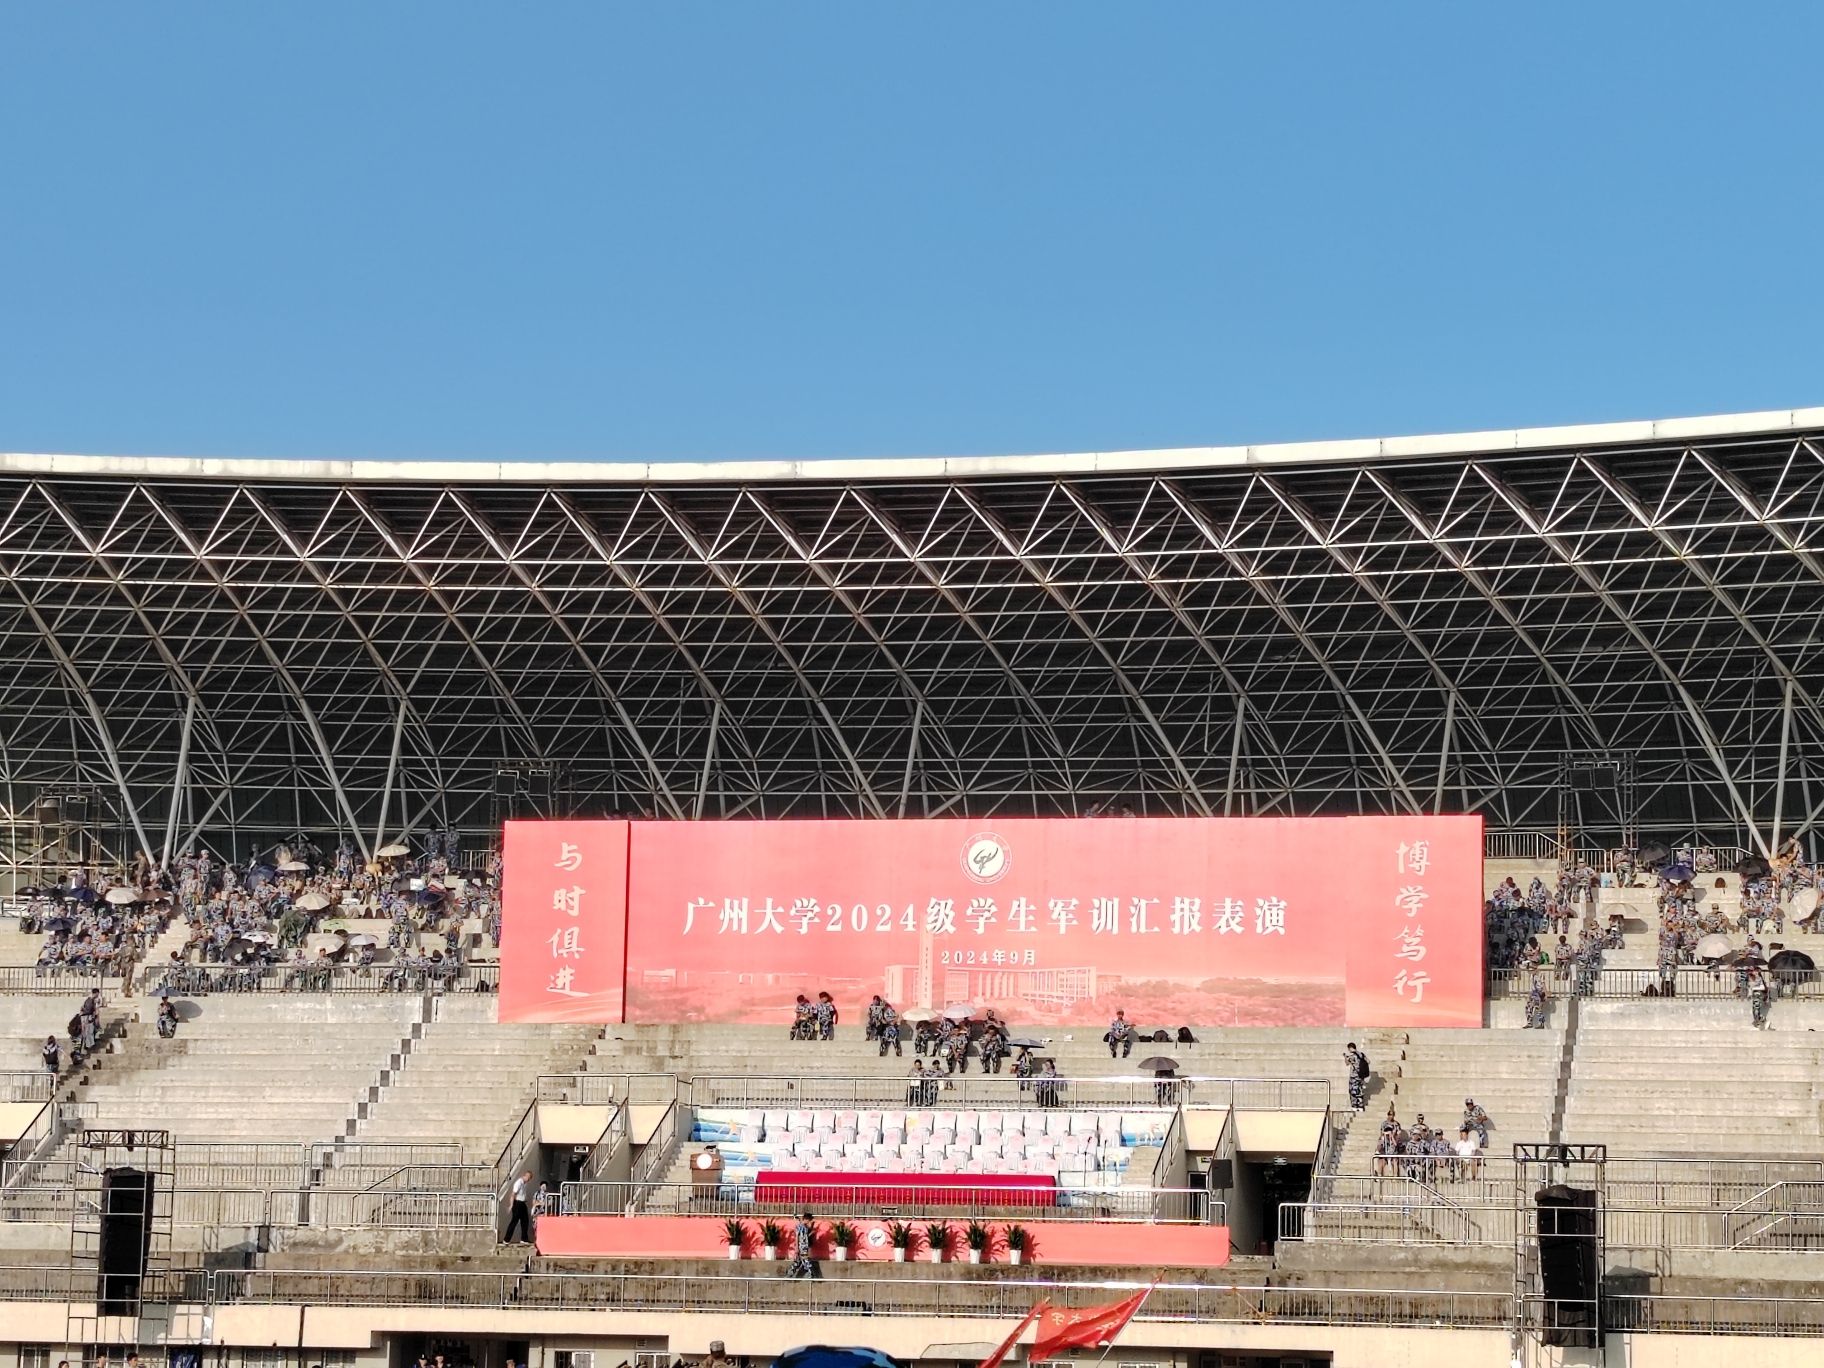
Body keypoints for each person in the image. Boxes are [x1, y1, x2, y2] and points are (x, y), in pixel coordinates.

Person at [502, 1169, 534, 1244]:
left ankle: (524, 1238)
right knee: (514, 1221)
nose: (528, 1180)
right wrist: (511, 1205)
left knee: (525, 1221)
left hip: (522, 1203)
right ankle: (506, 1239)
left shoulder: (524, 1184)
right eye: (528, 1178)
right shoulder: (519, 1183)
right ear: (525, 1176)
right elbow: (513, 1194)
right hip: (517, 1203)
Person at [786, 1211, 819, 1278]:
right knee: (806, 1261)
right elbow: (797, 1237)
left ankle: (789, 1274)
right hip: (801, 1247)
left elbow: (805, 1237)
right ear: (806, 1219)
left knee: (797, 1262)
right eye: (809, 1220)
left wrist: (811, 1233)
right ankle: (812, 1275)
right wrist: (797, 1248)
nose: (809, 1222)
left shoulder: (805, 1228)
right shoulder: (799, 1227)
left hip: (804, 1247)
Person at [1343, 1042, 1369, 1112]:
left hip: (1354, 1076)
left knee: (1353, 1090)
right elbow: (1368, 1061)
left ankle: (1354, 1105)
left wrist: (1345, 1057)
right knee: (1359, 1090)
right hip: (1361, 1076)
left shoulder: (1352, 1056)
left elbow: (1347, 1063)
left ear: (1350, 1048)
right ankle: (1360, 1105)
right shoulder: (1361, 1054)